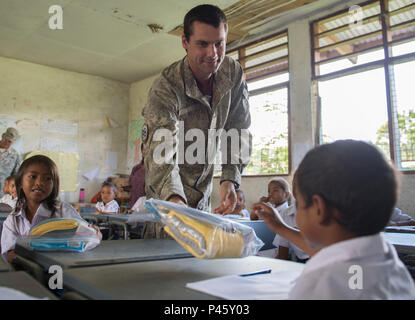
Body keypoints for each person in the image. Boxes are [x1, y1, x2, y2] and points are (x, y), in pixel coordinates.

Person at [252, 140, 415, 299]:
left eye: (299, 204)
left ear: (319, 208)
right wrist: (279, 226)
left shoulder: (322, 285)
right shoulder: (385, 259)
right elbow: (333, 253)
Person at [141, 4, 251, 238]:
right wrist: (175, 200)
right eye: (202, 44)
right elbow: (161, 155)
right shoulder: (166, 87)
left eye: (219, 43)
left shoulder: (232, 73)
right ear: (185, 42)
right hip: (167, 204)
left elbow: (238, 129)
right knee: (164, 269)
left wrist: (231, 178)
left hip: (203, 203)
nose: (213, 54)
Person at [1, 155, 102, 262]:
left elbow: (87, 237)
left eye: (48, 178)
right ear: (20, 182)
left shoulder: (63, 210)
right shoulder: (13, 219)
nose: (39, 183)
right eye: (33, 176)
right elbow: (9, 255)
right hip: (24, 272)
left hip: (60, 269)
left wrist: (95, 235)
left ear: (54, 185)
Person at [123, 143, 146, 209]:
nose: (146, 151)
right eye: (144, 149)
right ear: (142, 151)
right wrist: (124, 189)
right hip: (133, 204)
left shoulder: (155, 171)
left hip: (146, 206)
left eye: (149, 149)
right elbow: (131, 187)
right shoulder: (136, 168)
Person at [0, 128, 21, 197]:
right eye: (6, 139)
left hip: (2, 193)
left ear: (13, 142)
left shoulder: (15, 155)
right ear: (3, 136)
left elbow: (16, 175)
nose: (7, 142)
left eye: (10, 141)